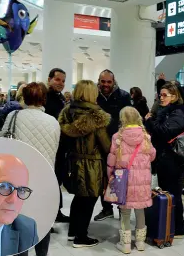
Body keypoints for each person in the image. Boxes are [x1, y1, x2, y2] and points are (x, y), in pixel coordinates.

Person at [0, 82, 60, 256]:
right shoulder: (53, 122)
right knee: (42, 221)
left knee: (19, 222)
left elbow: (4, 145)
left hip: (18, 179)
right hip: (45, 178)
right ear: (44, 99)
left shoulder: (13, 116)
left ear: (23, 97)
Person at [58, 80, 111, 248]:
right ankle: (81, 237)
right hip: (92, 163)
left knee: (79, 197)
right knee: (90, 198)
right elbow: (105, 145)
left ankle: (73, 231)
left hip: (73, 161)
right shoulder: (96, 116)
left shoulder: (67, 112)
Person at [145, 83, 184, 238]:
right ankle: (171, 225)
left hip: (174, 160)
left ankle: (178, 228)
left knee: (174, 193)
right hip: (166, 158)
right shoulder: (165, 111)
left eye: (165, 95)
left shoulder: (178, 113)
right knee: (169, 192)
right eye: (160, 94)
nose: (161, 97)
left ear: (174, 96)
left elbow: (164, 132)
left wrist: (151, 121)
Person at [107, 107, 156, 254]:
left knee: (125, 212)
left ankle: (126, 243)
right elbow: (152, 155)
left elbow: (112, 160)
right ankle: (140, 242)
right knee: (140, 210)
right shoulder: (146, 136)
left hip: (125, 181)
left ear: (122, 119)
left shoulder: (118, 137)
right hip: (142, 181)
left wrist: (110, 176)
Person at [95, 69, 131, 222]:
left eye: (109, 82)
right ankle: (106, 208)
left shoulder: (124, 96)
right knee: (103, 176)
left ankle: (122, 208)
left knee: (120, 176)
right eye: (103, 81)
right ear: (99, 81)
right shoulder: (94, 95)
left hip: (118, 144)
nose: (106, 85)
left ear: (113, 81)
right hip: (98, 143)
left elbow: (127, 118)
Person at [44, 68, 69, 223]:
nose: (61, 83)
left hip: (60, 145)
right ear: (49, 79)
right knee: (50, 180)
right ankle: (48, 214)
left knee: (57, 180)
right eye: (58, 79)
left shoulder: (59, 98)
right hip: (49, 145)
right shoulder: (45, 98)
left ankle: (56, 211)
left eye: (63, 80)